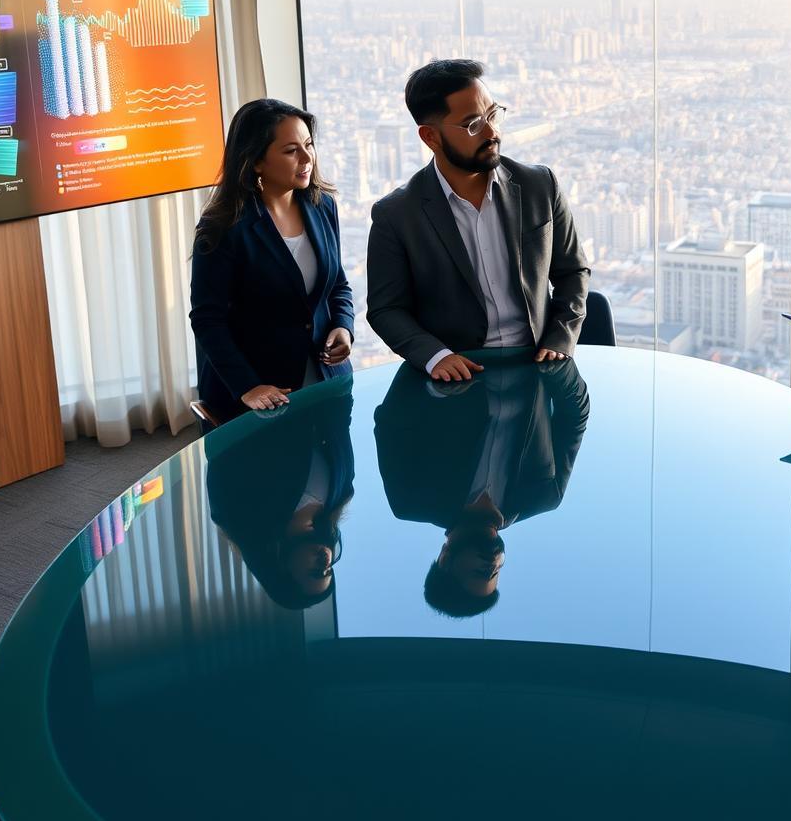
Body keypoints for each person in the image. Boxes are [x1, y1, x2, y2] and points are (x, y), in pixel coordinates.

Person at [367, 59, 588, 382]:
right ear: (431, 137)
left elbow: (573, 272)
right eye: (472, 124)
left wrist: (560, 337)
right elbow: (386, 309)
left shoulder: (540, 185)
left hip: (539, 364)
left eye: (493, 114)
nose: (492, 131)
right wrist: (436, 357)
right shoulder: (396, 214)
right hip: (458, 378)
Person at [374, 354, 590, 617]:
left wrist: (433, 368)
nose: (492, 564)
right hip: (530, 343)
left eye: (480, 572)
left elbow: (391, 425)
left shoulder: (411, 500)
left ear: (445, 560)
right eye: (496, 572)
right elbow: (575, 418)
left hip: (456, 344)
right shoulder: (544, 496)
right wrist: (558, 363)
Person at [189, 98, 355, 422]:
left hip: (325, 374)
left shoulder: (323, 206)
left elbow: (338, 284)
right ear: (256, 161)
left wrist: (343, 327)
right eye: (291, 150)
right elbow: (207, 319)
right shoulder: (222, 227)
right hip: (259, 386)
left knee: (336, 469)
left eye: (308, 145)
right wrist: (248, 386)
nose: (307, 158)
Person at [206, 377, 355, 611]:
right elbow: (341, 425)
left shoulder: (236, 515)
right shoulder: (341, 494)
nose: (325, 563)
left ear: (281, 570)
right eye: (328, 570)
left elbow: (223, 449)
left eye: (315, 571)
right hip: (321, 376)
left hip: (266, 382)